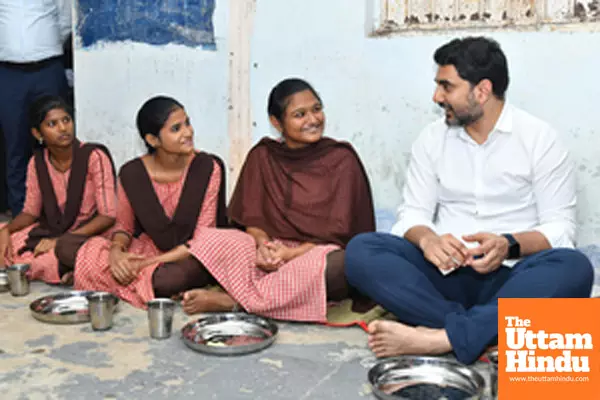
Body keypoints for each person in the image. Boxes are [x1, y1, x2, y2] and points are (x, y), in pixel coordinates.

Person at [344, 37, 594, 365]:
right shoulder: (432, 139)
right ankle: (484, 332)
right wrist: (429, 239)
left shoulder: (539, 139)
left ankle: (440, 338)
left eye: (446, 87)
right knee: (362, 251)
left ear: (482, 90)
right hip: (445, 277)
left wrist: (508, 245)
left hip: (512, 278)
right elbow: (411, 214)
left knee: (574, 267)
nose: (437, 97)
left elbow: (560, 229)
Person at [181, 78, 376, 322]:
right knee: (212, 238)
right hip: (269, 251)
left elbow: (341, 233)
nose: (313, 120)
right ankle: (268, 298)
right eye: (299, 114)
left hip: (315, 255)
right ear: (276, 122)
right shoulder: (262, 155)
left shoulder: (341, 159)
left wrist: (291, 255)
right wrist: (264, 246)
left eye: (317, 109)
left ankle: (237, 302)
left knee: (344, 265)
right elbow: (250, 217)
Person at [72, 96, 230, 308]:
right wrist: (116, 253)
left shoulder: (207, 167)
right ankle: (140, 282)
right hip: (146, 249)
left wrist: (146, 264)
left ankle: (130, 281)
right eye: (176, 129)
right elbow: (124, 227)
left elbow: (203, 239)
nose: (188, 132)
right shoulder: (132, 172)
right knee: (67, 246)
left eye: (188, 123)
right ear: (152, 140)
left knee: (170, 279)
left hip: (191, 255)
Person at [0, 95, 116, 284]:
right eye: (52, 124)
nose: (63, 128)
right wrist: (6, 230)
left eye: (66, 120)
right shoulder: (37, 163)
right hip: (52, 230)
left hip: (89, 233)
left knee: (55, 256)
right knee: (5, 240)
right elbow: (30, 212)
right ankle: (66, 270)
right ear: (38, 134)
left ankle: (63, 268)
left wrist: (60, 241)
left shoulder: (94, 156)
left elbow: (107, 216)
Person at [0, 0, 72, 217]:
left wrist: (41, 48)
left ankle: (62, 210)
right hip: (8, 72)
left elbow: (66, 22)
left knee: (59, 141)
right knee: (15, 145)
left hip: (47, 69)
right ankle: (21, 211)